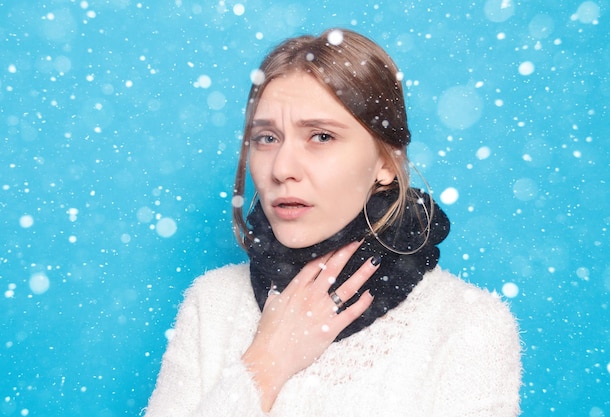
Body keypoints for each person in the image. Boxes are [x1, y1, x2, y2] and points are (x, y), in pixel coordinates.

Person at [143, 28, 522, 416]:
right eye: (267, 138)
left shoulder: (467, 324)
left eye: (321, 136)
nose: (282, 169)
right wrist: (265, 363)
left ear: (386, 163)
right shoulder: (213, 303)